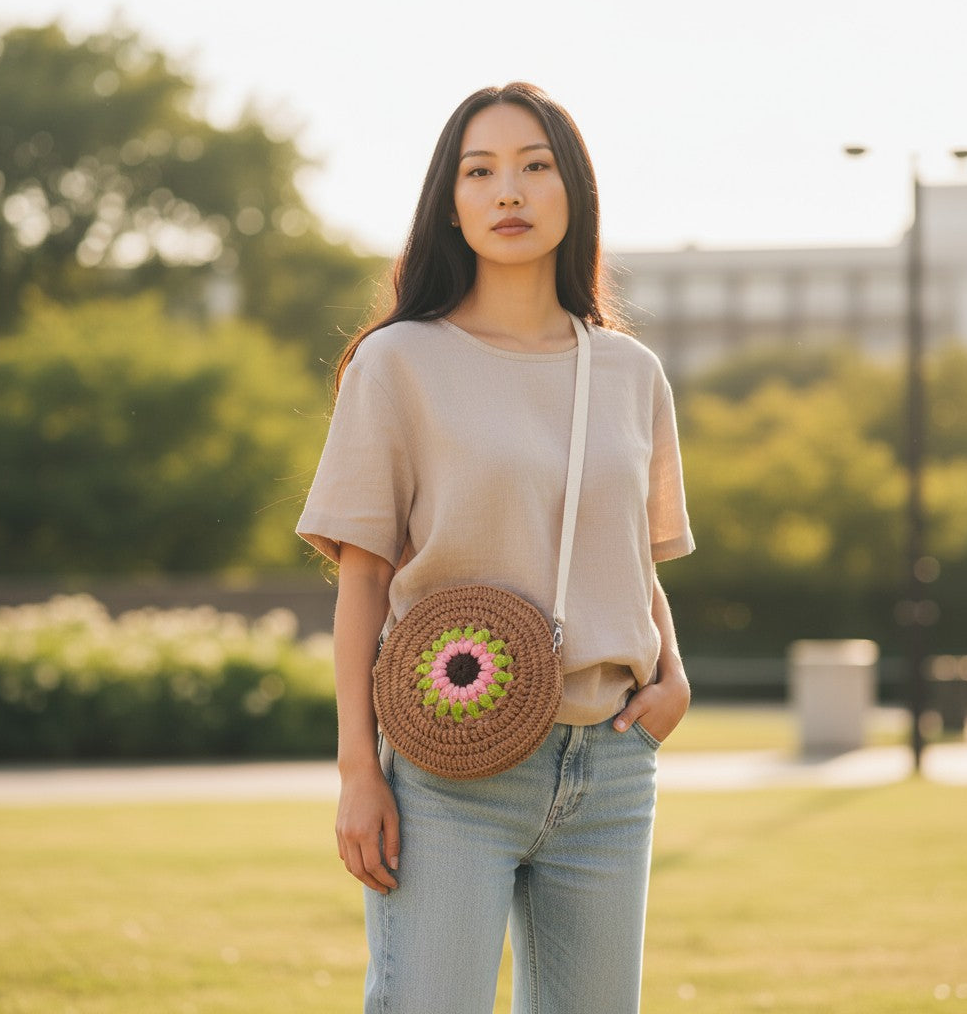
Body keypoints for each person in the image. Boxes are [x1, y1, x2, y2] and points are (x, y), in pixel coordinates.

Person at [297, 82, 694, 1014]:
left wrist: (675, 676)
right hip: (446, 774)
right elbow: (364, 579)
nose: (507, 191)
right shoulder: (399, 363)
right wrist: (360, 770)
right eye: (481, 171)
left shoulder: (630, 372)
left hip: (610, 770)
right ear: (452, 203)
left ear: (573, 192)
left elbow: (631, 559)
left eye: (533, 166)